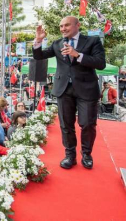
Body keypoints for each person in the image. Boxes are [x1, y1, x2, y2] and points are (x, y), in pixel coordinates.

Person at [33, 16, 106, 169]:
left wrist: (77, 55)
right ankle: (70, 155)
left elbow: (100, 63)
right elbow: (39, 56)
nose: (63, 29)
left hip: (86, 89)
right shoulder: (57, 43)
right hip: (63, 89)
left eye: (66, 25)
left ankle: (86, 154)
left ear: (77, 25)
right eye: (61, 26)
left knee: (87, 124)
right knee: (66, 125)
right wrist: (38, 41)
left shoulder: (92, 41)